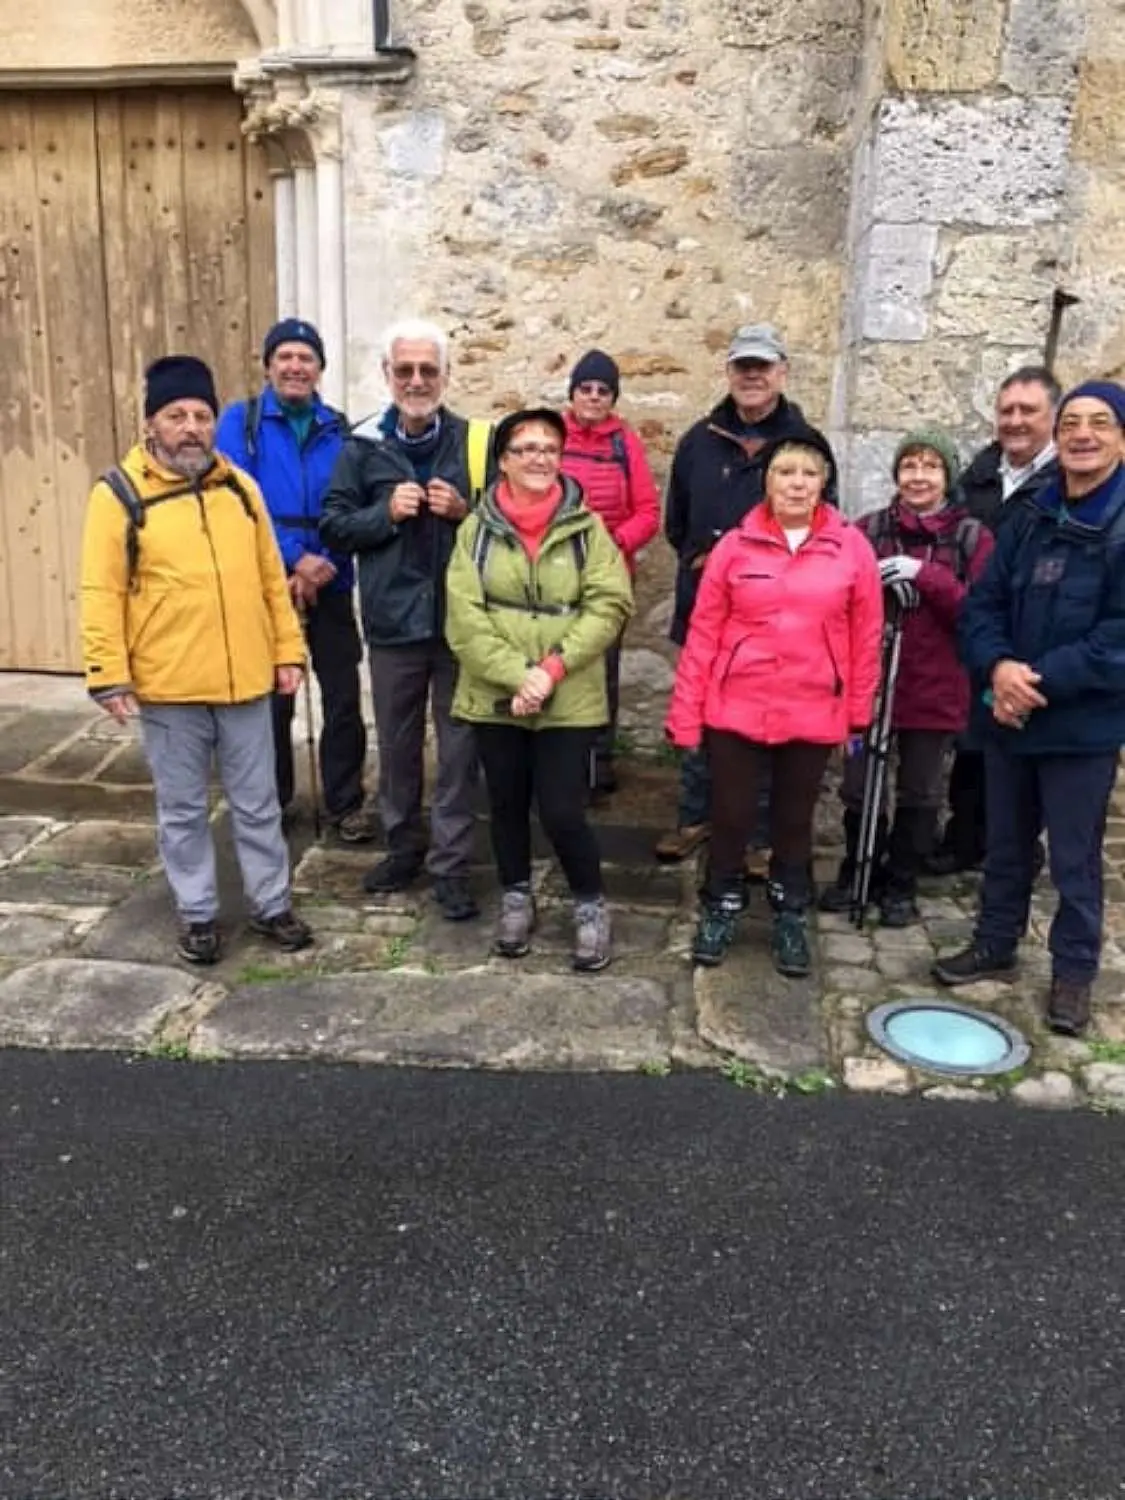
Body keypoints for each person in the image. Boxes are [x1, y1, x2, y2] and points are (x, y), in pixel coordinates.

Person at [79, 355, 314, 965]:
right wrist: (108, 674)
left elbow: (271, 580)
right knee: (182, 809)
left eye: (202, 416)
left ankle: (271, 903)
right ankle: (198, 913)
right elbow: (101, 590)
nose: (191, 428)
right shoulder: (119, 495)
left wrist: (287, 651)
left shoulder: (240, 488)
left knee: (259, 803)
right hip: (170, 686)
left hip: (246, 681)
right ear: (151, 422)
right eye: (176, 415)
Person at [934, 379, 1125, 1037]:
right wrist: (998, 668)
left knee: (1074, 859)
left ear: (1120, 439)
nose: (1081, 435)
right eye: (1071, 423)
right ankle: (994, 943)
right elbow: (981, 604)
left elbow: (1116, 639)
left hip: (1078, 726)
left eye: (1098, 423)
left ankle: (1073, 972)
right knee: (1005, 844)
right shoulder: (1031, 515)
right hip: (1009, 716)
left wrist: (1031, 680)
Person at [665, 433, 882, 976]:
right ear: (767, 482)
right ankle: (721, 905)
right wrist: (685, 714)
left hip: (813, 705)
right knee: (731, 815)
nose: (797, 484)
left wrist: (858, 713)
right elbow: (704, 633)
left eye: (808, 474)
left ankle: (790, 913)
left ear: (823, 483)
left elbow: (865, 636)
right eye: (786, 472)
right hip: (736, 702)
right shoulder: (735, 547)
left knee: (792, 820)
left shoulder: (851, 547)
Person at [444, 407, 633, 969]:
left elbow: (610, 604)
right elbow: (464, 616)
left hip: (568, 692)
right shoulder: (475, 531)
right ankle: (515, 895)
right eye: (525, 448)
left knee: (562, 808)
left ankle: (590, 905)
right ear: (503, 461)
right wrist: (517, 675)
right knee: (504, 803)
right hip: (496, 691)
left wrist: (550, 670)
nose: (539, 458)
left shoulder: (588, 529)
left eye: (549, 448)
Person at [320, 319, 492, 921]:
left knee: (459, 749)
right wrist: (384, 515)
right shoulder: (362, 445)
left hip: (459, 626)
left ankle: (451, 865)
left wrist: (465, 512)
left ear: (446, 376)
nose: (416, 381)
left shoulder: (473, 443)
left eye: (428, 370)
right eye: (405, 370)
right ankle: (402, 849)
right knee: (396, 746)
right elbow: (334, 524)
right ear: (387, 375)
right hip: (393, 623)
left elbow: (505, 524)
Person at [656, 322, 837, 866]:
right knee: (702, 713)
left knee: (768, 725)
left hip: (780, 618)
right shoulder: (698, 440)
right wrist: (705, 561)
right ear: (729, 371)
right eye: (743, 366)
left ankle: (759, 836)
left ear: (782, 372)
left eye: (762, 365)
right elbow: (677, 521)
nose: (752, 375)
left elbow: (824, 524)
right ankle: (696, 816)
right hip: (706, 608)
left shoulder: (807, 444)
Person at [818, 430, 994, 925]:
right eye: (910, 466)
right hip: (869, 686)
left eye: (930, 467)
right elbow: (834, 594)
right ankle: (859, 869)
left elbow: (979, 612)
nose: (919, 477)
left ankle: (901, 881)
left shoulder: (971, 538)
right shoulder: (867, 530)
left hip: (935, 686)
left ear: (947, 476)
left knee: (921, 789)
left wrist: (925, 575)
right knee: (859, 783)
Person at [216, 318, 372, 842]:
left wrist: (323, 562)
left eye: (306, 358)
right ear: (268, 365)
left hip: (332, 578)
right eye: (284, 356)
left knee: (343, 696)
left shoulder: (340, 428)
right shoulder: (240, 423)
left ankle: (345, 802)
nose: (295, 367)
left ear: (320, 369)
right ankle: (273, 800)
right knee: (272, 700)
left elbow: (354, 501)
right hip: (267, 581)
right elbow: (239, 499)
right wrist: (293, 559)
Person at [928, 367, 1061, 875]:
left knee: (1027, 737)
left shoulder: (1064, 480)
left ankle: (1019, 844)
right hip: (982, 621)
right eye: (1007, 410)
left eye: (1028, 410)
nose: (1015, 421)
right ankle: (965, 837)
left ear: (1052, 416)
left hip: (1040, 623)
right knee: (973, 736)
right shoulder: (980, 476)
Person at [560, 349, 659, 796]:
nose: (594, 397)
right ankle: (556, 762)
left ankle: (598, 761)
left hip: (607, 575)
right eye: (586, 388)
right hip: (556, 572)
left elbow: (648, 512)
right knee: (555, 662)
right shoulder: (553, 436)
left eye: (604, 390)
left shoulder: (625, 443)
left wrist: (613, 545)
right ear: (573, 393)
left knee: (602, 671)